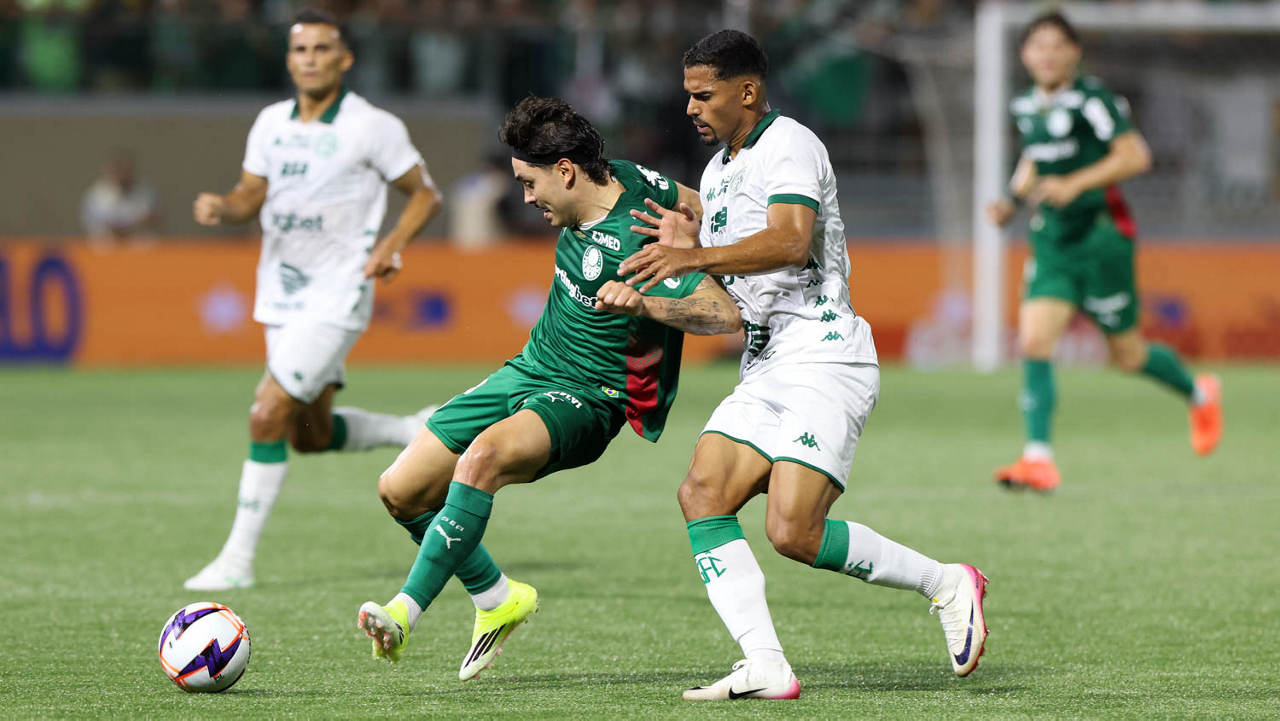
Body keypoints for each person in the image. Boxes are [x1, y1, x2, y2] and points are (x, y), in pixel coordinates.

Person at [617, 30, 988, 700]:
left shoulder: (790, 144)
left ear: (748, 91)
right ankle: (763, 661)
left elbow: (790, 241)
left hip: (823, 354)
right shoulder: (716, 172)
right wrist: (661, 287)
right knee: (703, 491)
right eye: (688, 96)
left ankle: (946, 581)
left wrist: (694, 257)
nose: (692, 108)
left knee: (792, 529)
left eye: (704, 95)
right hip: (765, 363)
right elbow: (731, 304)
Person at [355, 96, 742, 681]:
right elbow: (696, 200)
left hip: (590, 396)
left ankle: (403, 613)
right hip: (529, 367)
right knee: (399, 491)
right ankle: (496, 598)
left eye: (531, 183)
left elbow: (722, 315)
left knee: (481, 460)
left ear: (565, 171)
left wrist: (656, 289)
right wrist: (699, 221)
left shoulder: (641, 235)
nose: (527, 198)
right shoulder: (634, 178)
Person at [184, 8, 443, 592]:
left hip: (338, 291)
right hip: (281, 293)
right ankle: (413, 429)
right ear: (288, 59)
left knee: (266, 413)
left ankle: (236, 561)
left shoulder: (370, 125)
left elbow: (425, 195)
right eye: (300, 50)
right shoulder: (271, 122)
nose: (310, 59)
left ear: (344, 58)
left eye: (322, 49)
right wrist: (225, 208)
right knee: (308, 433)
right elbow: (251, 193)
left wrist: (392, 246)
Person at [985, 11, 1223, 492]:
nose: (1047, 54)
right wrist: (1012, 200)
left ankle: (1200, 392)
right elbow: (1036, 155)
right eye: (1038, 46)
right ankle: (1038, 459)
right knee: (1034, 341)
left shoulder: (1093, 101)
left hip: (1101, 239)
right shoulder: (1027, 106)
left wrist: (1074, 184)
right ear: (1025, 55)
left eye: (1057, 45)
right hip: (1052, 240)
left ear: (1074, 52)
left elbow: (1136, 155)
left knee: (1128, 356)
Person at [80, 149, 160, 243]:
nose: (121, 173)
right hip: (105, 250)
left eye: (124, 168)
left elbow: (154, 220)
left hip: (138, 249)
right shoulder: (96, 195)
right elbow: (94, 224)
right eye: (117, 169)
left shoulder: (145, 193)